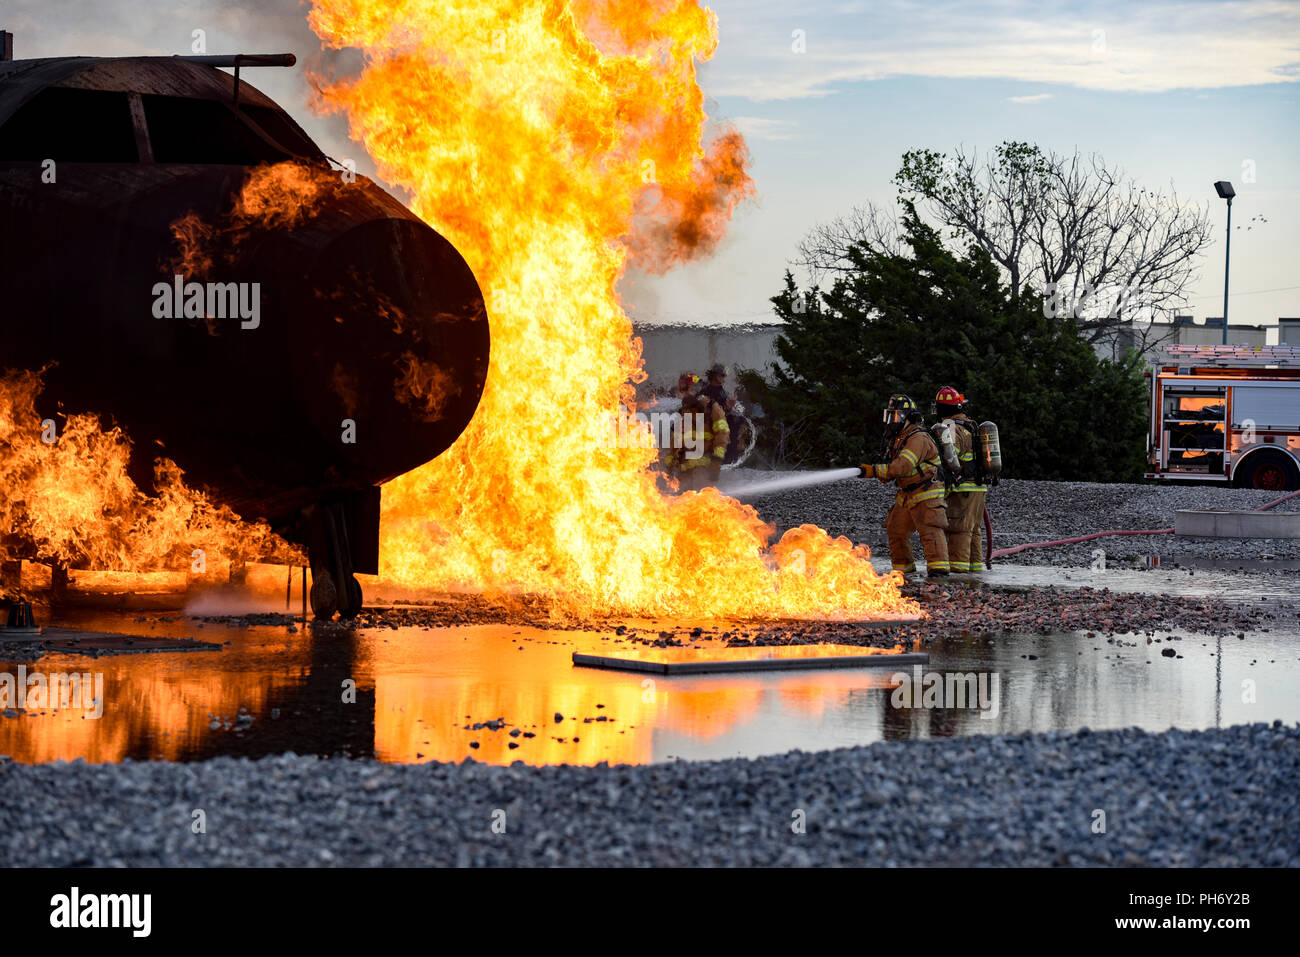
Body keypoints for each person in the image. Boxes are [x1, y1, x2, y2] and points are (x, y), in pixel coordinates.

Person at [860, 394, 950, 578]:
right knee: (896, 529)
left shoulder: (918, 437)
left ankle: (939, 575)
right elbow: (893, 467)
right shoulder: (900, 438)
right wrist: (880, 471)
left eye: (894, 416)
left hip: (926, 491)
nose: (890, 421)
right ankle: (903, 572)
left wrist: (875, 471)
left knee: (930, 530)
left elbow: (902, 465)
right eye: (889, 416)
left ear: (906, 417)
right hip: (907, 492)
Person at [934, 386, 986, 573]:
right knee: (974, 530)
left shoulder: (951, 428)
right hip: (979, 487)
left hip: (962, 488)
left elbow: (950, 460)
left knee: (959, 529)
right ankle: (975, 572)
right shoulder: (972, 425)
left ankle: (959, 574)